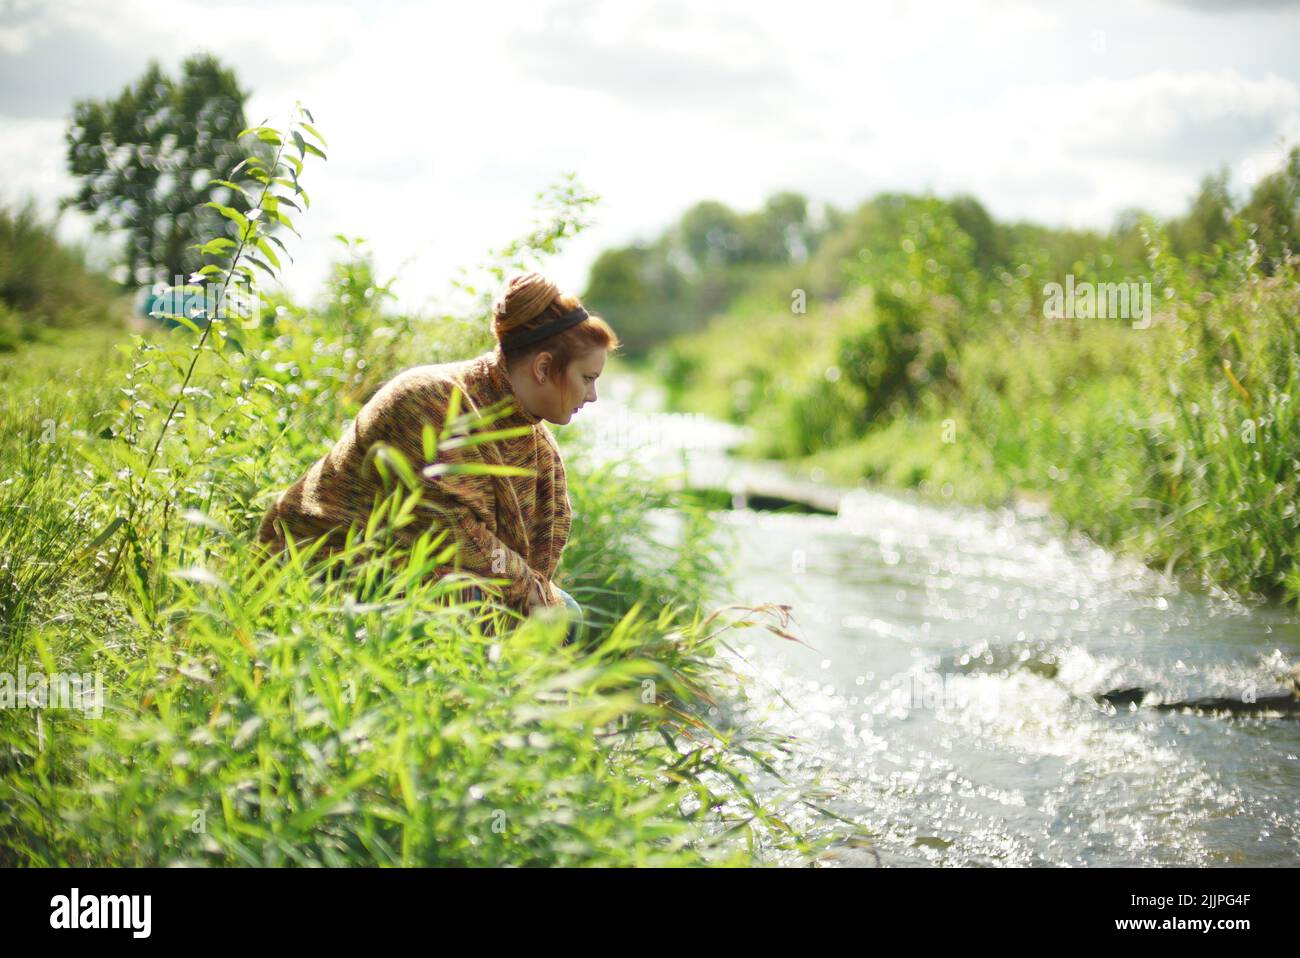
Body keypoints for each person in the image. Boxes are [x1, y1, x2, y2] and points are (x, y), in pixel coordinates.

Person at [255, 271, 618, 643]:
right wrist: (529, 593)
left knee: (563, 616)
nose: (592, 396)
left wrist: (534, 595)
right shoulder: (432, 400)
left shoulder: (534, 439)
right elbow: (451, 533)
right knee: (534, 616)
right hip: (327, 565)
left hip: (422, 572)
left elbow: (531, 552)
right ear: (543, 368)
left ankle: (512, 693)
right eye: (588, 378)